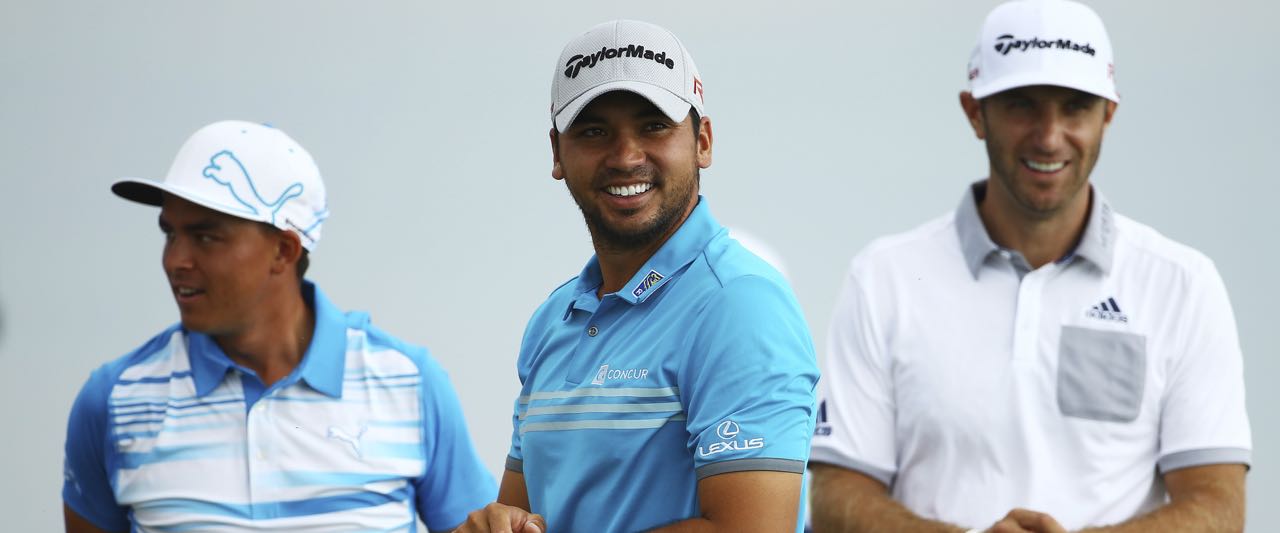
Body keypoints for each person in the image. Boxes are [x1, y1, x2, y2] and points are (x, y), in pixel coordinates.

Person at [809, 1, 1252, 532]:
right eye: (1021, 105)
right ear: (975, 113)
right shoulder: (883, 278)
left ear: (1108, 115)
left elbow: (1218, 507)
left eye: (1075, 107)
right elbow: (836, 500)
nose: (1048, 135)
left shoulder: (1182, 284)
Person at [457, 20, 820, 533]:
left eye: (654, 126)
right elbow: (527, 513)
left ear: (703, 142)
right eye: (595, 131)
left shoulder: (739, 304)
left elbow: (751, 530)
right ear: (558, 153)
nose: (626, 157)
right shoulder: (552, 321)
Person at [62, 120, 496, 532]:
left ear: (284, 251)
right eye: (170, 234)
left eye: (206, 237)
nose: (175, 260)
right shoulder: (112, 400)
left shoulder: (410, 384)